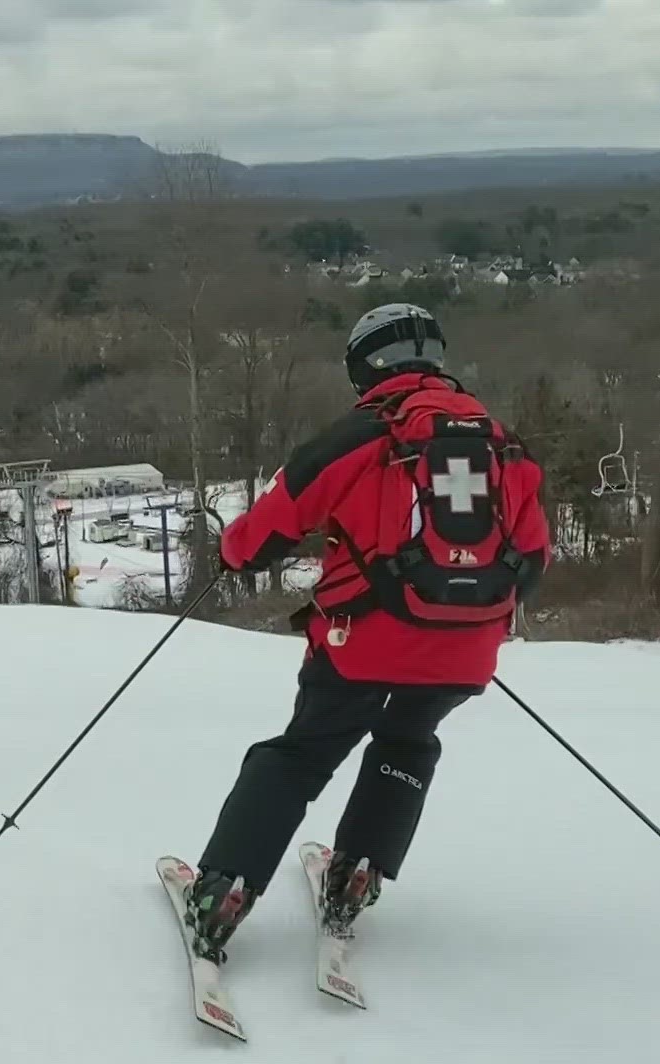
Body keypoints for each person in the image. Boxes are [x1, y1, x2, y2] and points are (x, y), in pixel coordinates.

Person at [186, 303, 550, 959]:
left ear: (363, 366)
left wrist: (233, 555)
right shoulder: (505, 445)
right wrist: (462, 620)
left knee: (301, 754)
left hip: (361, 642)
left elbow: (272, 522)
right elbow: (534, 557)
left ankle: (226, 886)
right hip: (464, 655)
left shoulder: (357, 438)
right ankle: (358, 873)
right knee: (408, 743)